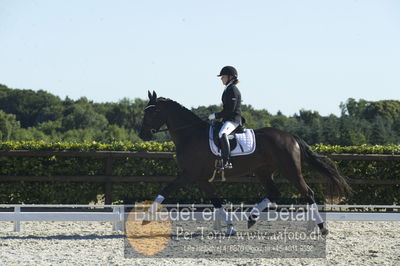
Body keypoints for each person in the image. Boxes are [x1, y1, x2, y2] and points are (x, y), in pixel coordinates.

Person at [208, 66, 244, 169]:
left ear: (231, 77)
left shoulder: (233, 90)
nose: (221, 78)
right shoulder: (228, 88)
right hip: (228, 119)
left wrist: (216, 115)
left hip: (234, 120)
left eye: (223, 76)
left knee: (222, 133)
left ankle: (227, 161)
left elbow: (230, 110)